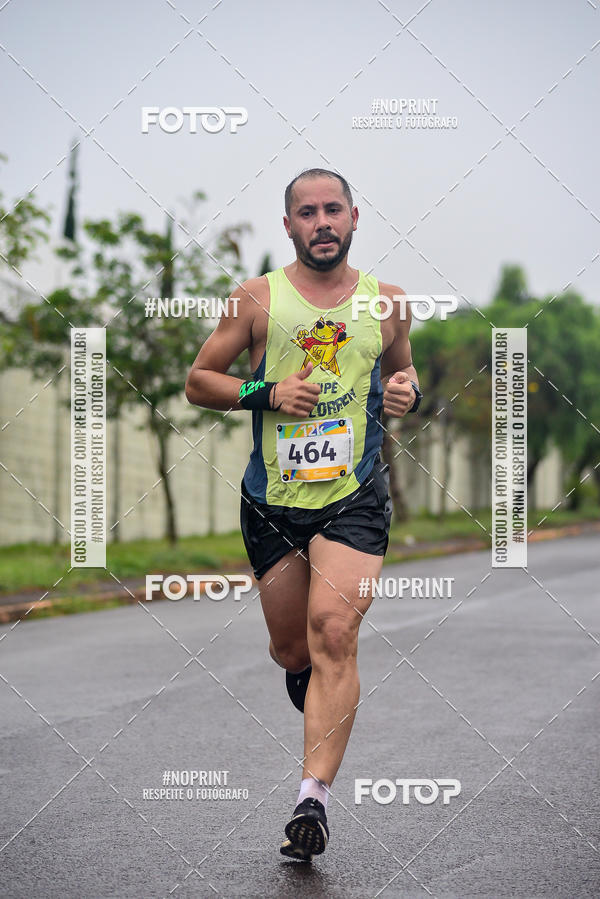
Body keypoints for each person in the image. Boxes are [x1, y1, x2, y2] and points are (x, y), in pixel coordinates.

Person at [185, 167, 421, 861]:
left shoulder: (390, 304)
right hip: (273, 500)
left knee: (333, 631)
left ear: (354, 218)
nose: (322, 222)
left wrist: (404, 391)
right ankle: (314, 681)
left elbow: (401, 373)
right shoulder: (257, 298)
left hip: (355, 497)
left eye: (333, 210)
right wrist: (265, 391)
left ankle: (311, 798)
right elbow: (200, 381)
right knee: (295, 649)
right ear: (288, 225)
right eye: (307, 212)